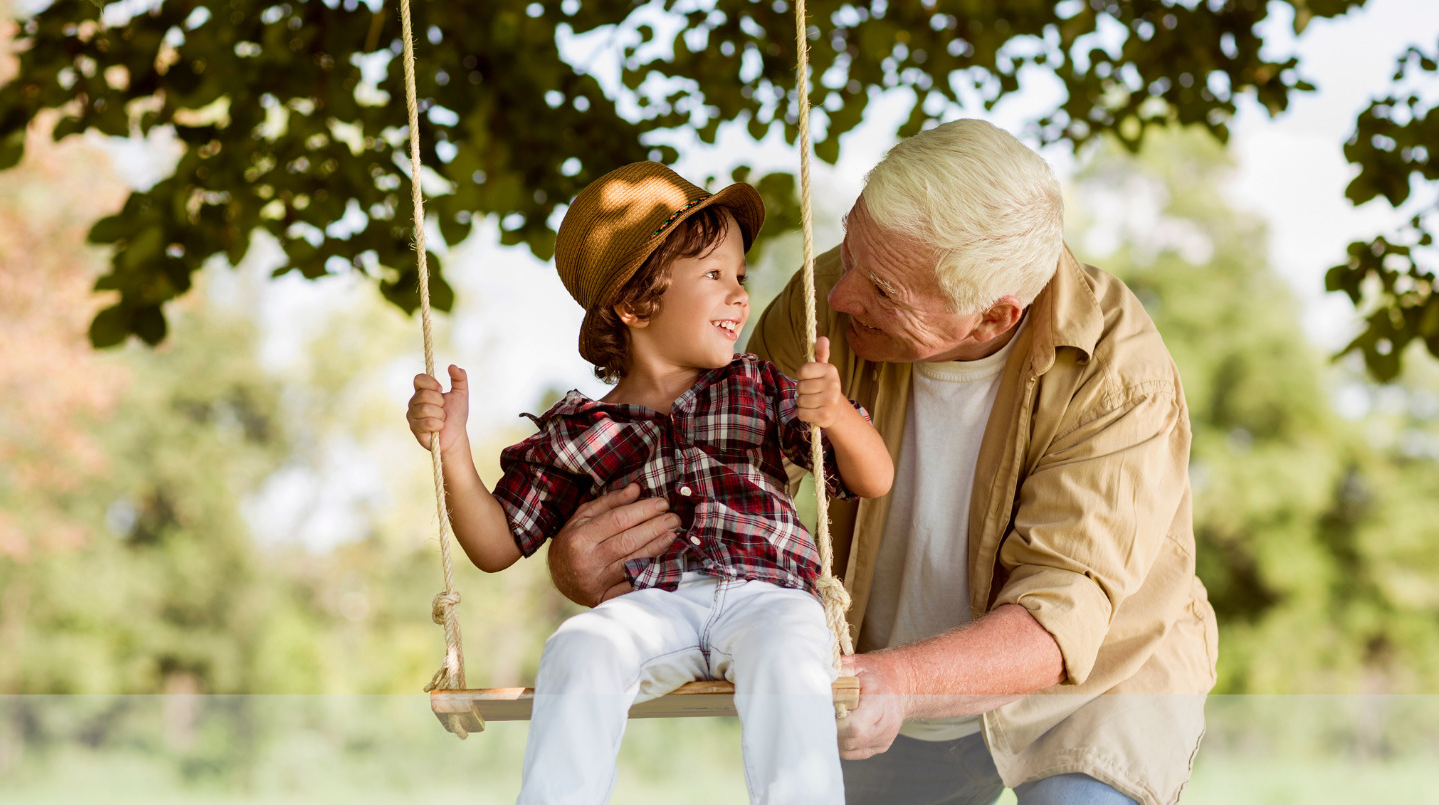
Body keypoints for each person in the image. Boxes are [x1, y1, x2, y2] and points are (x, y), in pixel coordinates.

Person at [544, 120, 1219, 805]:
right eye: (852, 250)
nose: (839, 297)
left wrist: (899, 678)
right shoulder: (829, 298)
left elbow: (1056, 618)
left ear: (989, 317)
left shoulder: (1119, 372)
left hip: (1086, 690)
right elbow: (716, 480)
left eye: (885, 291)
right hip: (876, 668)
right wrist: (589, 559)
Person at [405, 161, 895, 805]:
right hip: (655, 606)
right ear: (637, 304)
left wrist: (833, 415)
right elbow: (495, 545)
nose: (740, 295)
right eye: (715, 275)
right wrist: (452, 450)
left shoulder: (760, 386)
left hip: (768, 596)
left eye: (740, 277)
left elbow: (874, 476)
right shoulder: (581, 429)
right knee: (581, 646)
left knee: (788, 659)